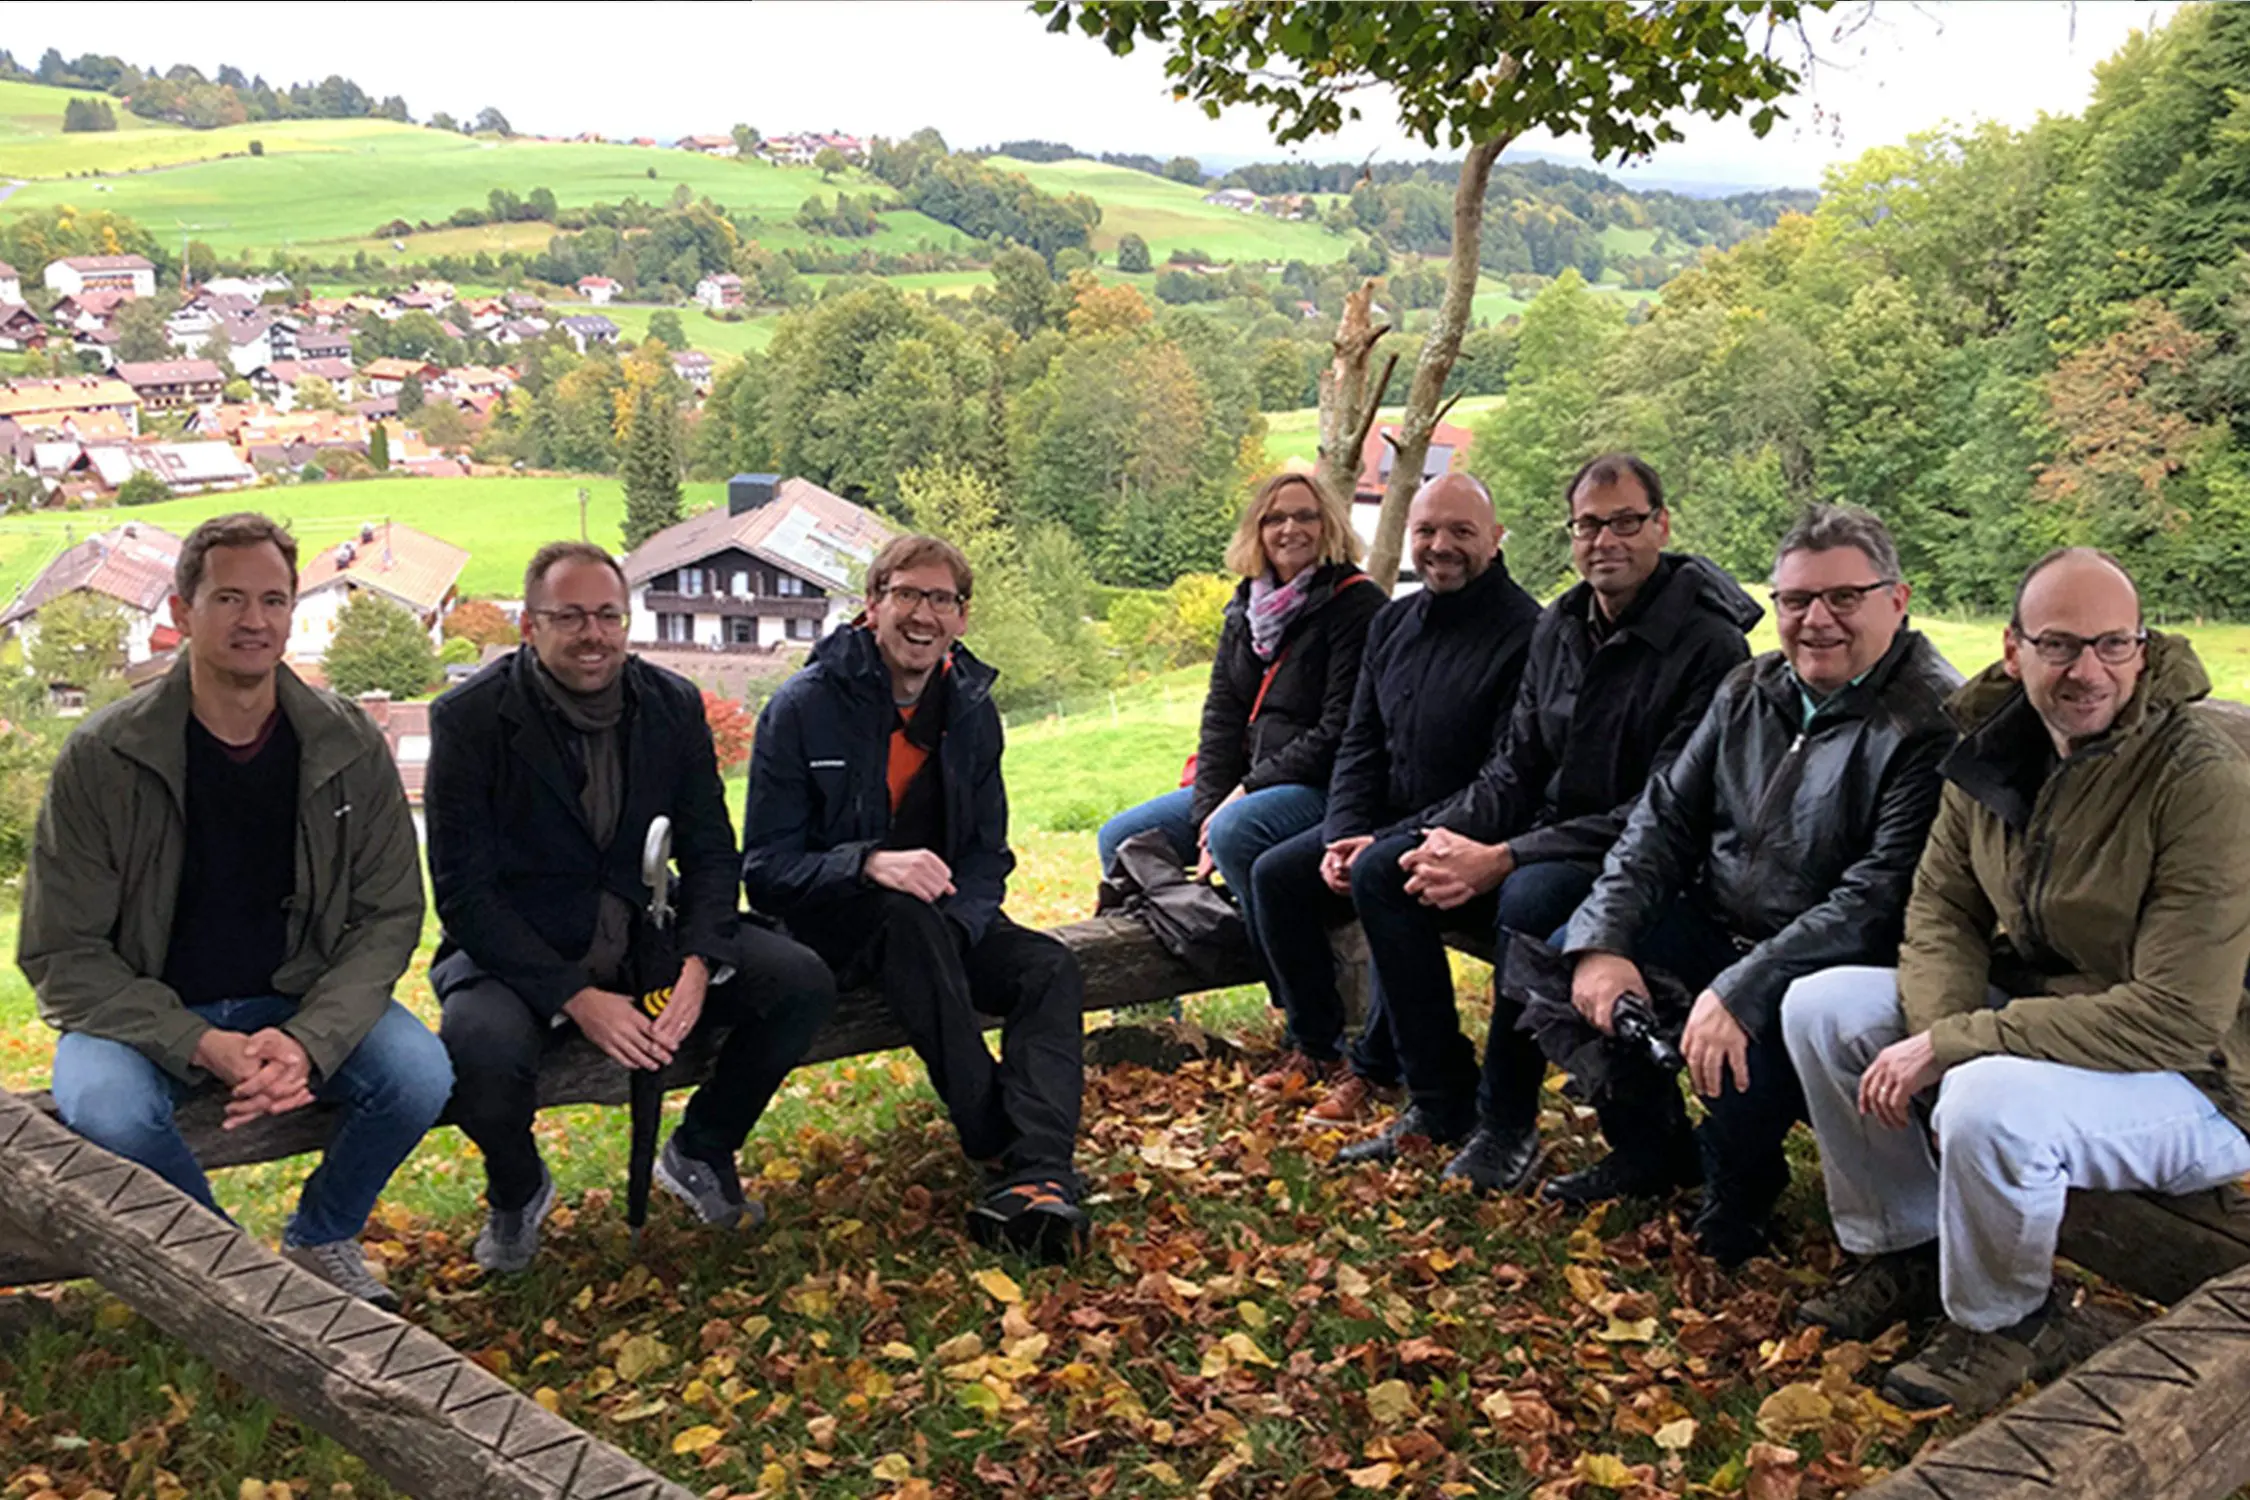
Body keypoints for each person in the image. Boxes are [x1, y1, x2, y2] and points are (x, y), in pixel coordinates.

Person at [1783, 549, 2250, 1416]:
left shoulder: (2198, 780)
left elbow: (2180, 1017)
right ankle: (1906, 1249)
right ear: (2014, 649)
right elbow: (1942, 911)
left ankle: (2009, 1322)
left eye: (2113, 644)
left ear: (2142, 648)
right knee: (1824, 1007)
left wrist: (1959, 1046)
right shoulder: (1997, 750)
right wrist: (1943, 1031)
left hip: (2198, 1079)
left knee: (1988, 1101)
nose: (2088, 671)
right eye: (2060, 645)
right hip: (2046, 1024)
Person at [21, 513, 445, 1310]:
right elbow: (60, 953)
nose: (255, 620)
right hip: (141, 1014)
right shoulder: (105, 757)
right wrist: (199, 1043)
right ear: (182, 613)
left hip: (295, 999)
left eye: (273, 600)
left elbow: (389, 914)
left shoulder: (347, 743)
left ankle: (322, 1236)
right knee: (107, 1107)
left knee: (419, 1074)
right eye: (229, 599)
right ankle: (239, 1286)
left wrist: (309, 1039)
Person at [1550, 503, 1959, 1264]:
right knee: (1571, 957)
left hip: (1836, 965)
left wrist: (1741, 987)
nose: (1817, 621)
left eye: (1844, 597)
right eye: (1796, 600)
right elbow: (1662, 821)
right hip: (1726, 922)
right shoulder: (1751, 688)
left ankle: (1742, 1183)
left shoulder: (1929, 723)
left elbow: (1877, 900)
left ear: (1897, 600)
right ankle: (1652, 1148)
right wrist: (1604, 940)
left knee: (1746, 1034)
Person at [1336, 455, 1759, 1174]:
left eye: (1625, 522)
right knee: (1385, 870)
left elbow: (1664, 809)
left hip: (1650, 864)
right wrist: (1417, 837)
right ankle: (1440, 1100)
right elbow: (1517, 764)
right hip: (1549, 836)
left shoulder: (1709, 646)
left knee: (1529, 899)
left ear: (1661, 526)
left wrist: (1505, 857)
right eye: (1588, 525)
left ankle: (1507, 1123)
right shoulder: (1563, 623)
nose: (1605, 540)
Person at [428, 542, 836, 1273]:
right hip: (523, 947)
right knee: (478, 1051)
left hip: (649, 930)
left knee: (799, 982)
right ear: (529, 625)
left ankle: (702, 1147)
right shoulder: (471, 718)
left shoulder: (669, 704)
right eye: (570, 617)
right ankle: (517, 1190)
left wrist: (700, 962)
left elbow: (711, 851)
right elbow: (464, 893)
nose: (593, 634)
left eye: (608, 615)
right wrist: (575, 998)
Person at [742, 534, 1090, 1261]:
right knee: (904, 919)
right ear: (872, 605)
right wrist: (867, 864)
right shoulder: (803, 708)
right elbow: (766, 869)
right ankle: (997, 1143)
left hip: (939, 922)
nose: (922, 614)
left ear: (962, 617)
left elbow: (987, 853)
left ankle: (1040, 1174)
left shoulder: (970, 709)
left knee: (1048, 965)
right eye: (906, 594)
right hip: (827, 929)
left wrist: (960, 928)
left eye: (941, 599)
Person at [1246, 472, 1540, 1125]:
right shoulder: (1394, 622)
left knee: (1387, 875)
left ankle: (1386, 1070)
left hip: (1471, 834)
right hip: (1382, 822)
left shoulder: (1526, 633)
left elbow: (1507, 778)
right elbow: (1360, 741)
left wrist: (1380, 841)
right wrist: (1340, 833)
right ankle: (1316, 1044)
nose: (1441, 546)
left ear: (1495, 538)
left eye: (1461, 531)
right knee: (1277, 876)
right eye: (1426, 531)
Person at [1097, 473, 1385, 983]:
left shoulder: (1357, 606)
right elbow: (1221, 720)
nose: (1290, 529)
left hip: (1326, 786)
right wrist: (1209, 810)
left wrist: (1241, 795)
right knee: (1123, 838)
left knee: (1236, 830)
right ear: (1257, 530)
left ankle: (1294, 983)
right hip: (1247, 785)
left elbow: (1340, 729)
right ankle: (1156, 988)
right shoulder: (1246, 608)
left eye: (1306, 516)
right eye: (1275, 518)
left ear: (1330, 525)